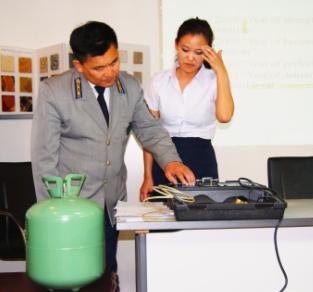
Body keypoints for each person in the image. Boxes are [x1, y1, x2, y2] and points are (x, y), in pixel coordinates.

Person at [31, 21, 195, 275]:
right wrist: (53, 216)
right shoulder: (55, 92)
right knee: (72, 278)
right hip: (71, 209)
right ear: (78, 65)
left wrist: (171, 160)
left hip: (111, 206)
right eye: (99, 67)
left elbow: (150, 130)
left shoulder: (128, 86)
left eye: (114, 62)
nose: (110, 72)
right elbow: (44, 158)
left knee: (107, 275)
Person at [139, 17, 234, 201]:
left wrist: (221, 71)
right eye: (185, 50)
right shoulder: (159, 81)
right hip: (164, 158)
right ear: (176, 45)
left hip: (201, 158)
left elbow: (224, 116)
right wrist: (147, 176)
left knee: (201, 222)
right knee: (162, 220)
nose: (190, 57)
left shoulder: (214, 80)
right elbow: (149, 131)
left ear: (208, 52)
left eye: (199, 52)